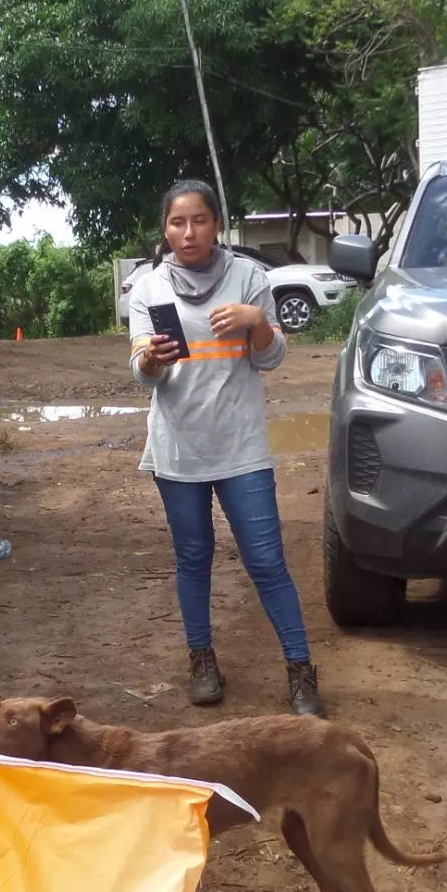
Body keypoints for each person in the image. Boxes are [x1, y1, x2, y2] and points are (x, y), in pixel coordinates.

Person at [128, 179, 323, 716]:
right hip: (179, 449)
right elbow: (144, 373)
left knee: (266, 560)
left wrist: (257, 322)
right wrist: (152, 360)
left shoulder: (248, 277)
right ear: (165, 229)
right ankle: (201, 659)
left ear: (217, 224)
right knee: (193, 557)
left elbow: (270, 359)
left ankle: (301, 669)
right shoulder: (148, 288)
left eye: (198, 221)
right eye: (177, 223)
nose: (188, 233)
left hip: (240, 447)